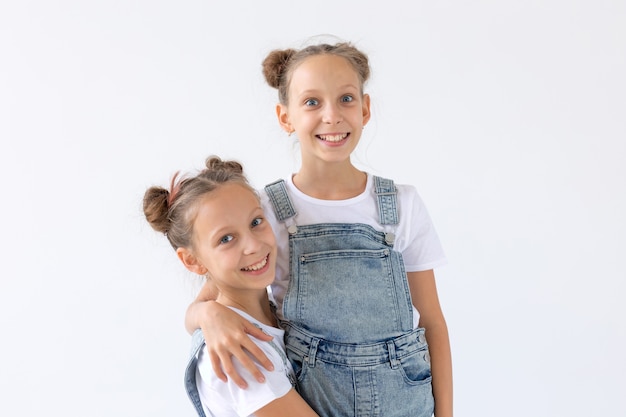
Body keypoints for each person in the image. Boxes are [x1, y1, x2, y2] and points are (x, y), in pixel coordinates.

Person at [186, 41, 454, 417]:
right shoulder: (264, 213)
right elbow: (207, 301)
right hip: (316, 402)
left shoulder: (402, 205)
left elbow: (432, 321)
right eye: (312, 102)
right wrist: (208, 317)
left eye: (346, 99)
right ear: (285, 117)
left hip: (406, 403)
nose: (331, 116)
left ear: (365, 109)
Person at [143, 156, 320, 417]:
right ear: (192, 261)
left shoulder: (272, 312)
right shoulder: (236, 354)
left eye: (256, 222)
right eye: (226, 239)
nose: (253, 246)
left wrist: (205, 312)